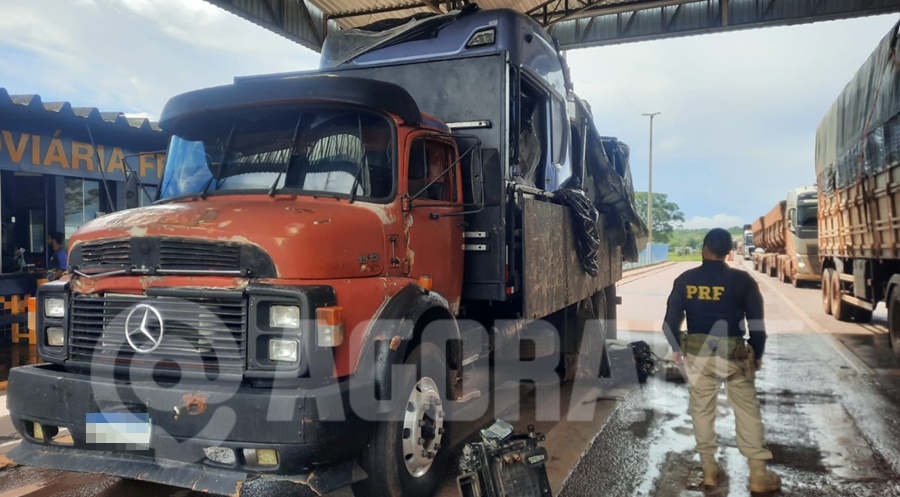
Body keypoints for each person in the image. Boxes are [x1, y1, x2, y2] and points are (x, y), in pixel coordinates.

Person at [662, 228, 781, 493]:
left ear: (704, 249)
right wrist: (757, 354)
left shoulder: (685, 279)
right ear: (729, 253)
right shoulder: (742, 280)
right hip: (734, 356)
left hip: (698, 356)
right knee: (747, 412)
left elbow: (669, 323)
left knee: (702, 410)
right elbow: (757, 325)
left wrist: (677, 348)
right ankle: (758, 474)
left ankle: (709, 471)